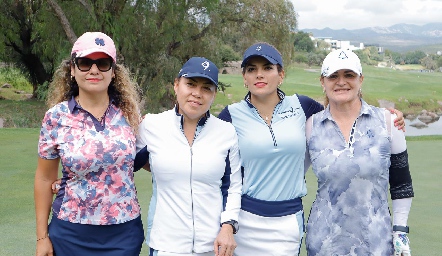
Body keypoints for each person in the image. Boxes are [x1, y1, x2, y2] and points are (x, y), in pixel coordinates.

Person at [217, 43, 406, 256]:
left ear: (281, 75)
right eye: (251, 69)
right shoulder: (230, 115)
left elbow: (341, 110)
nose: (259, 75)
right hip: (245, 219)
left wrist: (386, 118)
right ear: (244, 77)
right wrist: (226, 223)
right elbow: (219, 172)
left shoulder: (302, 106)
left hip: (288, 221)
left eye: (268, 68)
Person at [34, 31, 144, 256]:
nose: (94, 70)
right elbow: (45, 178)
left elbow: (146, 159)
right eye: (85, 63)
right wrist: (42, 237)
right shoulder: (55, 117)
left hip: (124, 234)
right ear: (73, 70)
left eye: (103, 63)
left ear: (113, 72)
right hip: (70, 233)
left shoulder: (130, 115)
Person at [305, 49, 414, 255]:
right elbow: (292, 178)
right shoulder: (311, 125)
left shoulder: (388, 122)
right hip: (323, 244)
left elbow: (402, 184)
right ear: (323, 81)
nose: (341, 82)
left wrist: (400, 233)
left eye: (349, 75)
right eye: (333, 76)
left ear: (361, 79)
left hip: (376, 243)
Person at [134, 57, 242, 256]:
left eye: (206, 88)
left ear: (214, 94)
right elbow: (119, 165)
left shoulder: (226, 132)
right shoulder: (151, 126)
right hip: (166, 245)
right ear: (176, 85)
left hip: (213, 246)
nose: (197, 94)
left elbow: (233, 185)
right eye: (190, 84)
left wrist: (228, 227)